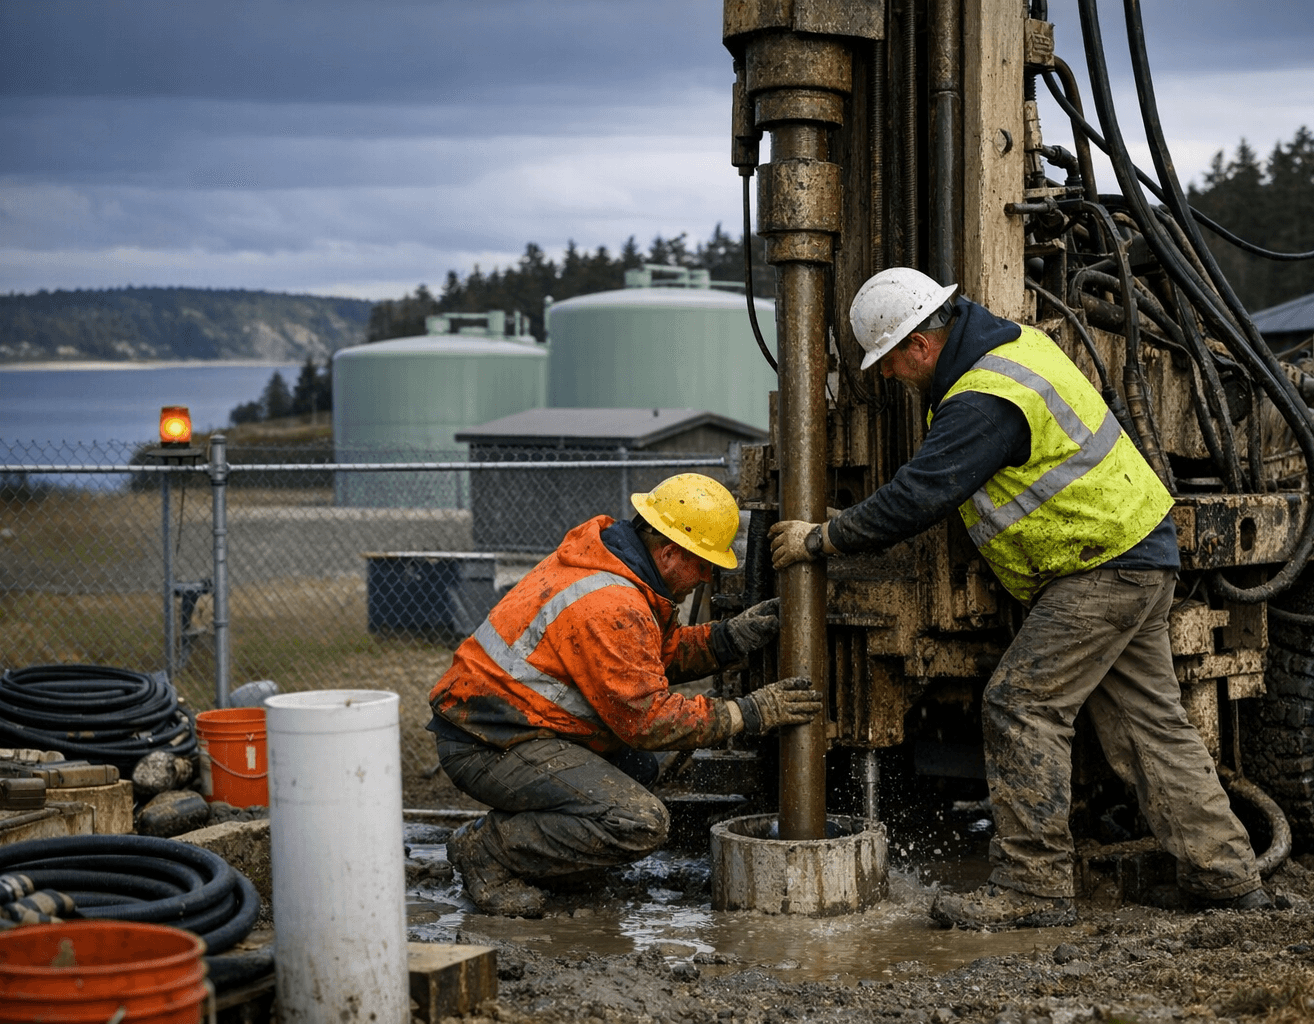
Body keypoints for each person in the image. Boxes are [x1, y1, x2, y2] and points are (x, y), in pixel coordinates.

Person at [770, 267, 1268, 930]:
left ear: (919, 345)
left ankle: (1033, 889)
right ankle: (1227, 880)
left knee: (1021, 704)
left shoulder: (984, 397)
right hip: (1134, 554)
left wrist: (821, 539)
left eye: (888, 364)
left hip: (1100, 566)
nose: (887, 378)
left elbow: (919, 495)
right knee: (1150, 726)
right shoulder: (1013, 350)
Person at [429, 472, 820, 917]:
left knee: (637, 770)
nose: (709, 576)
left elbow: (649, 657)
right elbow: (646, 718)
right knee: (638, 822)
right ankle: (487, 852)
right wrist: (748, 713)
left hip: (515, 725)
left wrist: (728, 639)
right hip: (487, 741)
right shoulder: (611, 602)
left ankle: (553, 862)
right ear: (670, 552)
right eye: (704, 563)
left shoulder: (621, 572)